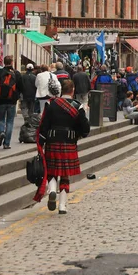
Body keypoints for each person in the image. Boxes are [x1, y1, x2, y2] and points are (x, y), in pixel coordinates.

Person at [38, 79, 90, 214]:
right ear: (72, 91)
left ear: (62, 90)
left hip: (53, 140)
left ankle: (53, 189)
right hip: (69, 142)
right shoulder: (78, 106)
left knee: (52, 171)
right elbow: (85, 127)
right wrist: (79, 134)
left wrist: (41, 141)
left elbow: (44, 124)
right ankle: (62, 206)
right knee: (65, 175)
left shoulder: (51, 104)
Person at [0, 56, 23, 149]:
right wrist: (17, 96)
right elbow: (21, 87)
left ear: (4, 62)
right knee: (10, 122)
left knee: (0, 119)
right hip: (12, 101)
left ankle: (1, 132)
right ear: (12, 62)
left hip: (0, 100)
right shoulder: (17, 74)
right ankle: (6, 144)